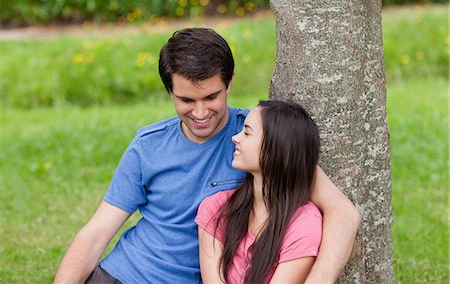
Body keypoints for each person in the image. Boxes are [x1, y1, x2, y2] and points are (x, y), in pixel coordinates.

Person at [54, 28, 360, 284]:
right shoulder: (148, 146)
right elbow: (95, 235)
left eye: (211, 97)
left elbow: (343, 213)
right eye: (186, 100)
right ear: (169, 92)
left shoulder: (259, 140)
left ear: (229, 82)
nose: (200, 113)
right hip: (124, 274)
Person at [196, 100, 322, 284]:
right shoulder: (216, 208)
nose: (235, 137)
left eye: (247, 133)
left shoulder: (304, 223)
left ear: (276, 149)